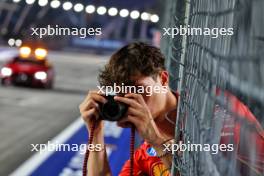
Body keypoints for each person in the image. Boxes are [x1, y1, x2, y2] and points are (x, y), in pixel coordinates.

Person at [79, 42, 264, 176]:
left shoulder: (215, 110)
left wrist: (156, 139)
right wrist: (95, 133)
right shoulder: (146, 152)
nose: (133, 101)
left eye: (138, 90)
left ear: (163, 79)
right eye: (122, 95)